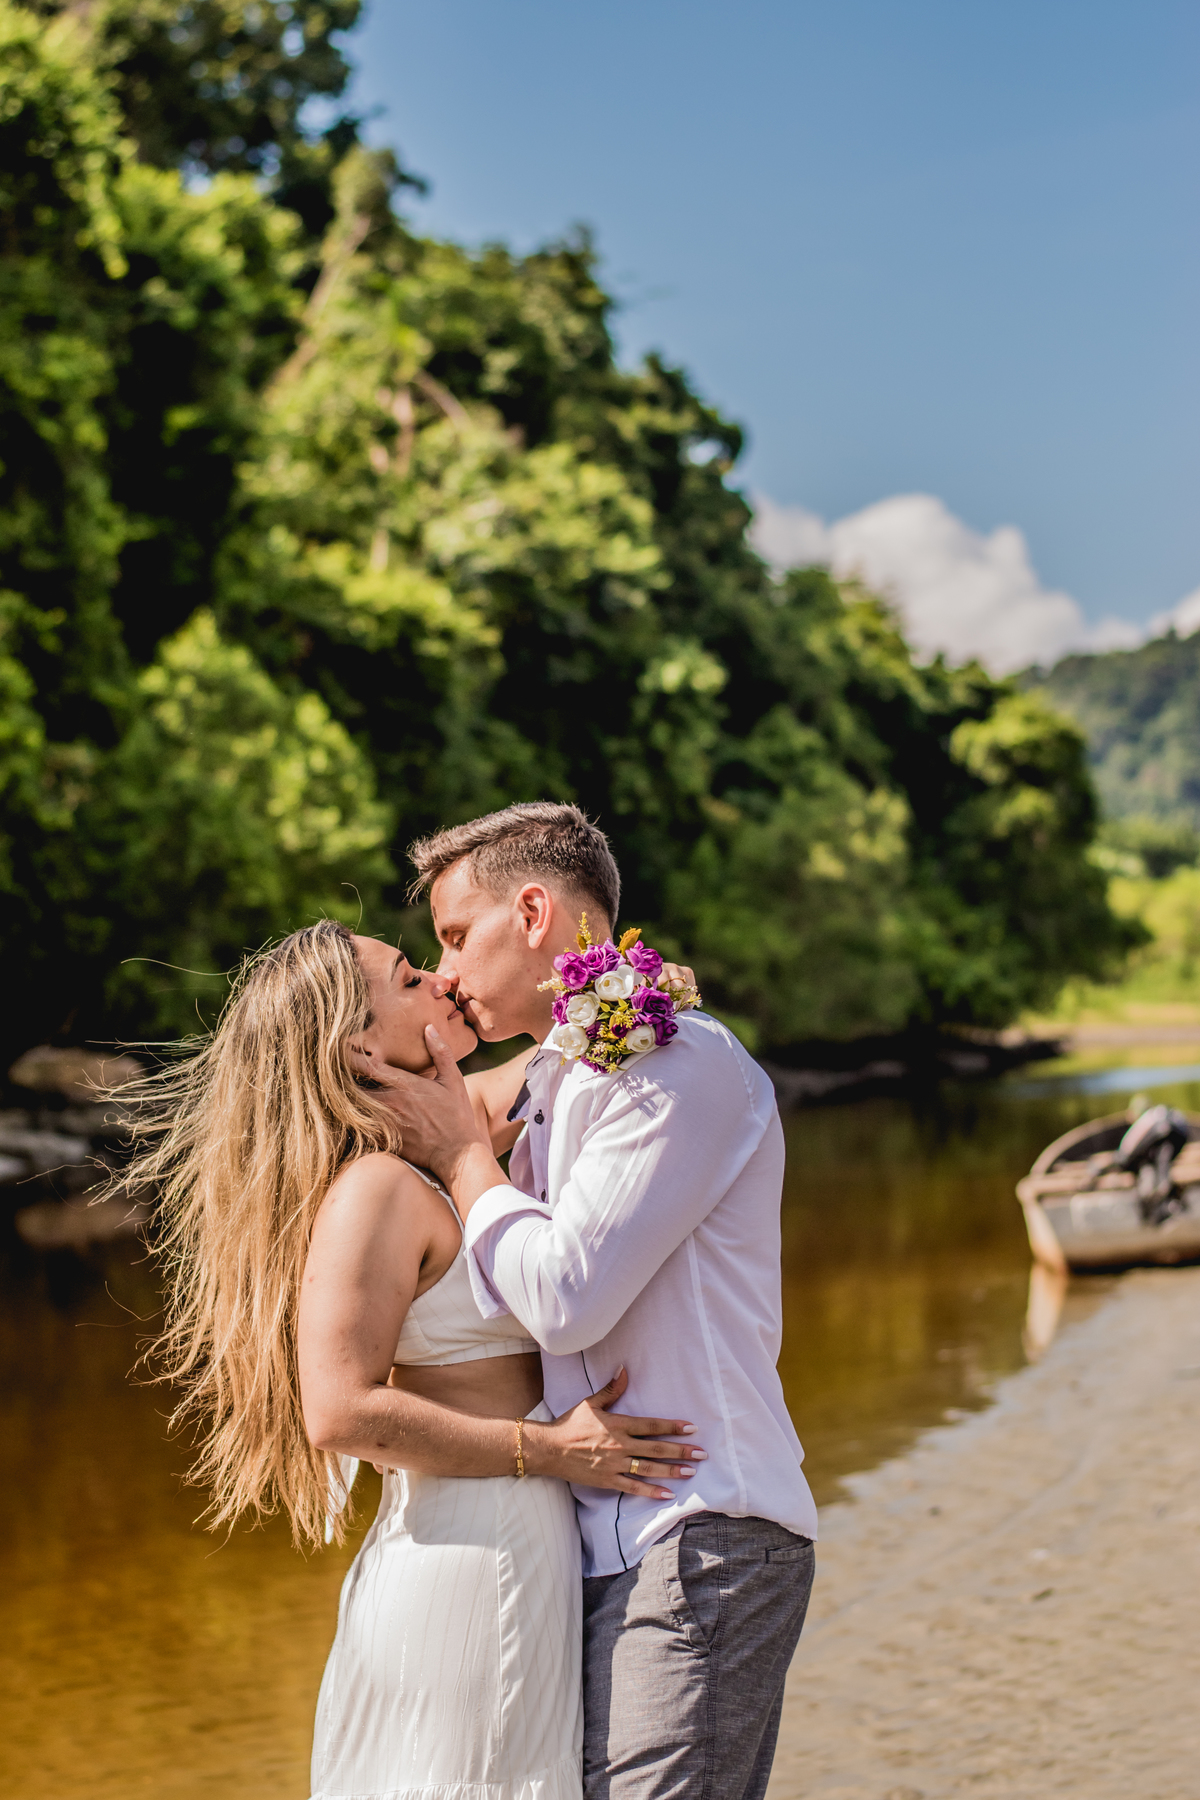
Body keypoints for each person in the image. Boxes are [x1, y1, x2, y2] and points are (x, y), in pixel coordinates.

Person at [129, 919, 705, 1800]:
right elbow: (340, 1411)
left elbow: (573, 1052)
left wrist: (622, 980)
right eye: (408, 979)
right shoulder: (377, 1190)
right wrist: (551, 1450)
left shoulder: (434, 1149)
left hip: (508, 1542)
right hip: (474, 1561)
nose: (440, 979)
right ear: (358, 1043)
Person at [363, 801, 818, 1800]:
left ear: (533, 913)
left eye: (454, 936)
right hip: (600, 1548)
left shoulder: (674, 1062)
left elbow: (565, 1299)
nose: (441, 972)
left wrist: (459, 1155)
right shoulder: (567, 1078)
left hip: (701, 1527)